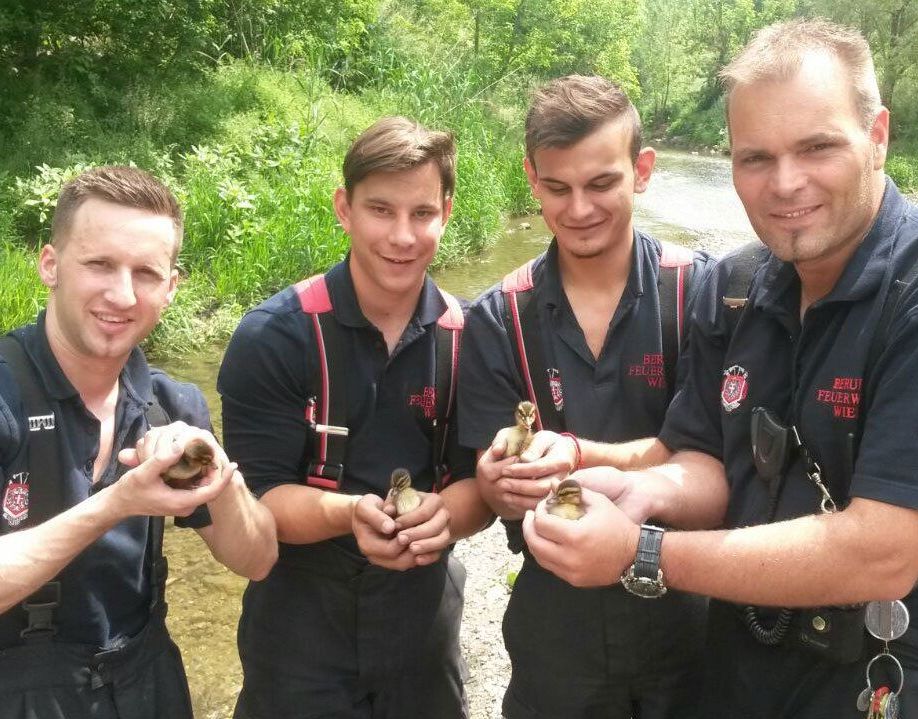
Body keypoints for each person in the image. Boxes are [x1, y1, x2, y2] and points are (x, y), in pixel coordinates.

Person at [523, 19, 918, 718]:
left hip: (882, 681)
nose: (785, 183)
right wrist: (641, 489)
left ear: (878, 135)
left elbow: (882, 551)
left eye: (817, 147)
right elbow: (702, 456)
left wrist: (642, 552)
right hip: (735, 670)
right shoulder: (735, 286)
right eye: (755, 157)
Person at [457, 75, 715, 718]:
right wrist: (495, 483)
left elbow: (721, 461)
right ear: (530, 177)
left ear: (642, 170)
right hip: (555, 630)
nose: (579, 209)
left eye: (601, 183)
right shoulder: (497, 318)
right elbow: (487, 500)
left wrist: (573, 457)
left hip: (694, 622)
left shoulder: (704, 294)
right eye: (557, 187)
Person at [219, 116, 489, 719]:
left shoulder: (471, 337)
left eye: (422, 213)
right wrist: (352, 513)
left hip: (422, 626)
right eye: (380, 210)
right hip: (298, 629)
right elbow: (258, 501)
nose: (401, 235)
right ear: (344, 208)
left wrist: (440, 520)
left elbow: (481, 487)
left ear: (447, 211)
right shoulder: (272, 338)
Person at [0, 165, 278, 719]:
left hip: (147, 678)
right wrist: (119, 503)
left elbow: (258, 559)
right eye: (99, 264)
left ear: (172, 287)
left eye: (146, 273)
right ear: (50, 265)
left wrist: (218, 477)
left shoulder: (172, 404)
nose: (122, 294)